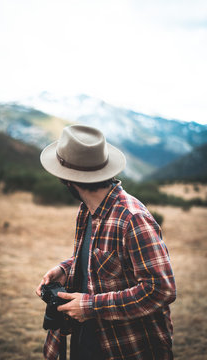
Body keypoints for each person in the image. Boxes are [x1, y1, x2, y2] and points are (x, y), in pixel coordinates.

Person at [36, 124, 176, 360]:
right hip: (87, 340)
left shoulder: (132, 219)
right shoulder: (88, 210)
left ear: (67, 180)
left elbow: (161, 289)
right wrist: (65, 268)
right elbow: (101, 258)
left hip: (127, 348)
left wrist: (91, 306)